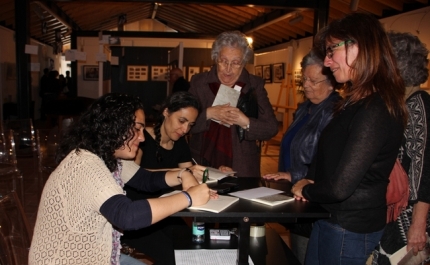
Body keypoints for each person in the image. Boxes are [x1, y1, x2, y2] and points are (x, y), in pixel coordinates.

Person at [29, 93, 213, 265]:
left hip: (100, 254)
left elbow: (145, 180)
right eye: (137, 129)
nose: (141, 138)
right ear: (113, 127)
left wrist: (183, 174)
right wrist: (189, 197)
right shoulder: (85, 164)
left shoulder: (107, 157)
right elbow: (126, 215)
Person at [291, 12, 407, 265]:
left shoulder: (375, 107)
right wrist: (312, 179)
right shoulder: (358, 101)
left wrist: (306, 188)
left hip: (350, 225)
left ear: (359, 46)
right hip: (332, 218)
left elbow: (342, 186)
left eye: (332, 51)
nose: (327, 61)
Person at [262, 48, 341, 264]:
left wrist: (293, 174)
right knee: (296, 251)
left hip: (313, 196)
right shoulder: (306, 107)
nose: (306, 85)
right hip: (297, 191)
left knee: (306, 255)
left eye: (313, 81)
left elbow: (327, 162)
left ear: (332, 83)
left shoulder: (334, 111)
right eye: (304, 78)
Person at [373, 32, 430, 265]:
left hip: (408, 218)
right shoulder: (403, 103)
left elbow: (424, 167)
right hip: (397, 212)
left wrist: (418, 225)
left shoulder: (418, 104)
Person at [188, 30, 278, 177]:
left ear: (243, 63)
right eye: (223, 61)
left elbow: (271, 128)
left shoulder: (254, 85)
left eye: (235, 63)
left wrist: (246, 122)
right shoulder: (199, 83)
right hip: (202, 162)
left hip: (242, 166)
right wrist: (208, 113)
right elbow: (184, 123)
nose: (228, 69)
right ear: (216, 58)